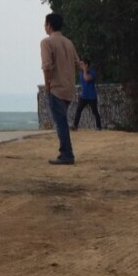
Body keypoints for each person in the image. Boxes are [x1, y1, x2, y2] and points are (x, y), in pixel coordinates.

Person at [41, 13, 80, 165]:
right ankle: (66, 153)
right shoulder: (69, 42)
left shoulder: (46, 42)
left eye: (45, 24)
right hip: (69, 88)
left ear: (49, 25)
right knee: (62, 120)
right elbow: (78, 63)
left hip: (56, 88)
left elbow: (46, 66)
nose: (44, 27)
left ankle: (66, 154)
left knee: (60, 123)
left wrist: (48, 85)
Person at [72, 58, 102, 131]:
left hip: (92, 96)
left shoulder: (92, 72)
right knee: (78, 110)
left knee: (94, 111)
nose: (81, 65)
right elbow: (74, 66)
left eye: (82, 64)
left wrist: (85, 70)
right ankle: (75, 126)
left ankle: (99, 127)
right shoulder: (80, 72)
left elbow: (86, 79)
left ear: (86, 65)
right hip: (84, 96)